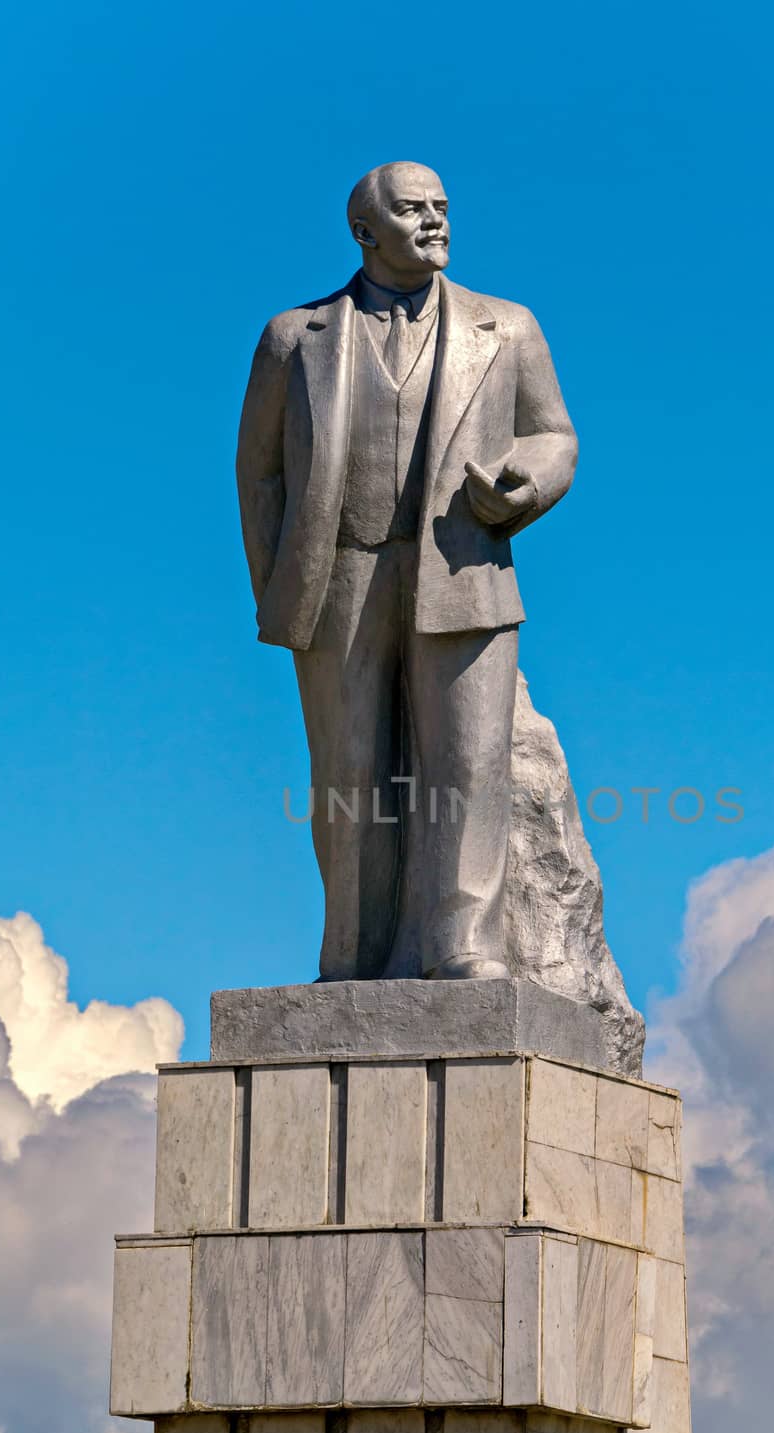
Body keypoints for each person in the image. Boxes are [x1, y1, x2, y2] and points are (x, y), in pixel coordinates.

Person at [236, 162, 577, 980]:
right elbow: (260, 475)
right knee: (348, 770)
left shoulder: (509, 328)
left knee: (468, 763)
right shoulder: (295, 337)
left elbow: (553, 435)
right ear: (365, 230)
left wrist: (525, 487)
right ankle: (350, 947)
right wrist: (280, 585)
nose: (435, 223)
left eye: (442, 208)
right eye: (412, 210)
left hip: (464, 569)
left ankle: (462, 940)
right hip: (338, 576)